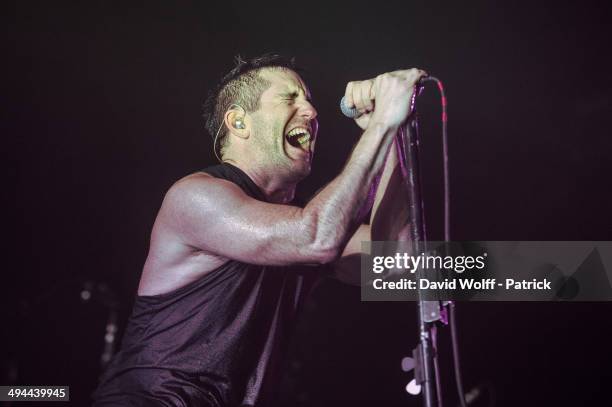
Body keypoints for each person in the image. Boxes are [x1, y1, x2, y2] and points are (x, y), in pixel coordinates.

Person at [92, 54, 426, 407]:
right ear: (238, 122)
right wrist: (382, 125)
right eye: (290, 98)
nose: (312, 113)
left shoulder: (292, 226)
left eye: (309, 101)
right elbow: (316, 237)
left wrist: (395, 137)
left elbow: (397, 264)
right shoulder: (195, 197)